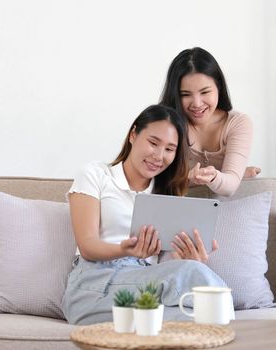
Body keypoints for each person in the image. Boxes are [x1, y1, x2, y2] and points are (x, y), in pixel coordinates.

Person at [61, 104, 230, 325]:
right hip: (94, 285)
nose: (159, 156)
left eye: (170, 149)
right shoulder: (96, 174)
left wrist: (187, 258)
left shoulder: (166, 197)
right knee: (194, 275)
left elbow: (163, 267)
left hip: (146, 289)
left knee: (200, 321)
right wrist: (124, 249)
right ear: (133, 134)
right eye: (153, 143)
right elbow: (87, 245)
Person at [160, 47, 260, 197]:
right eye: (185, 94)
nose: (197, 104)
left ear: (218, 87)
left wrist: (215, 176)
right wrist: (190, 178)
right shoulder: (166, 123)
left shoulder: (238, 123)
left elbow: (230, 186)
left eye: (205, 92)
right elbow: (157, 180)